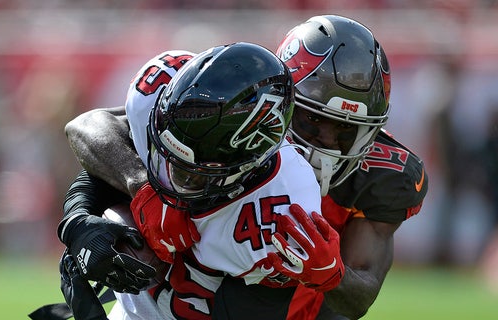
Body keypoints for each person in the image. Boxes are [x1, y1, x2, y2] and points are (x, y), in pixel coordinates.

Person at [65, 15, 428, 319]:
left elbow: (360, 295)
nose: (326, 144)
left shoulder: (384, 177)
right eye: (311, 121)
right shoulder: (234, 111)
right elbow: (100, 130)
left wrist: (332, 275)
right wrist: (139, 190)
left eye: (346, 131)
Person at [58, 42, 342, 320]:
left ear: (247, 164)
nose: (171, 177)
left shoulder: (282, 206)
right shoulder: (159, 95)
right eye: (167, 157)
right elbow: (89, 131)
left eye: (192, 174)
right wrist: (85, 217)